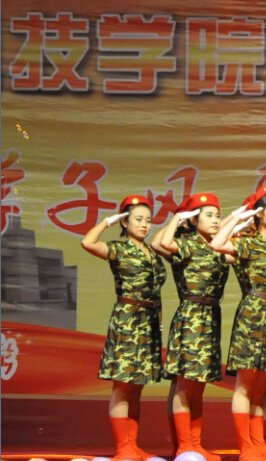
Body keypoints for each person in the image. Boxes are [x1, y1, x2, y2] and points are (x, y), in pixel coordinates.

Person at [210, 185, 266, 461]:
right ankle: (246, 447)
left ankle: (259, 446)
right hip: (254, 314)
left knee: (262, 388)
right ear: (260, 213)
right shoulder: (248, 242)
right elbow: (217, 244)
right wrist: (239, 216)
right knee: (246, 384)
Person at [81, 195, 167, 461]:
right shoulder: (119, 248)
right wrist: (107, 222)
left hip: (149, 322)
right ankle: (122, 448)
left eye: (148, 220)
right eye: (138, 219)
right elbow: (88, 243)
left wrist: (159, 325)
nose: (144, 225)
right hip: (127, 320)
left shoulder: (153, 253)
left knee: (137, 386)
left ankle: (132, 444)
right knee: (122, 386)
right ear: (125, 221)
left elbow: (156, 293)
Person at [155, 192, 232, 461]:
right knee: (186, 386)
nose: (215, 220)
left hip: (210, 317)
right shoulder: (187, 243)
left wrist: (235, 220)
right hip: (192, 317)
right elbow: (161, 242)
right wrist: (178, 217)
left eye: (217, 215)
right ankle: (184, 446)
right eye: (208, 215)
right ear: (193, 219)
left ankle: (194, 445)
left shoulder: (215, 246)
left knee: (198, 386)